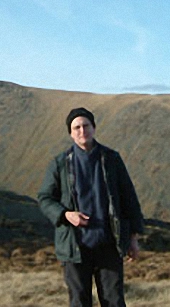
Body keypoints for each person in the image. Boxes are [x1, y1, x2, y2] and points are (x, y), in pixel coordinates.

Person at [38, 107, 144, 307]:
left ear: (94, 128)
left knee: (114, 301)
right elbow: (44, 198)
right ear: (70, 133)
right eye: (76, 127)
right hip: (75, 246)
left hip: (109, 245)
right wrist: (66, 214)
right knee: (79, 302)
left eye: (86, 125)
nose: (81, 130)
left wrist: (133, 238)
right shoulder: (60, 163)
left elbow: (129, 199)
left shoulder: (112, 159)